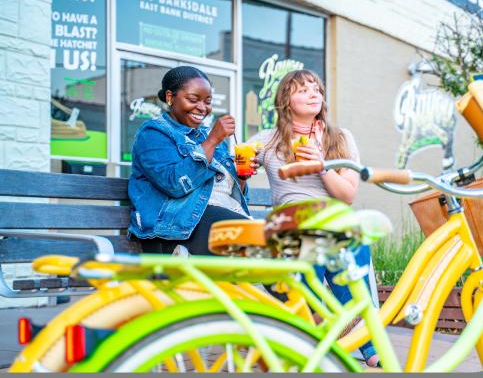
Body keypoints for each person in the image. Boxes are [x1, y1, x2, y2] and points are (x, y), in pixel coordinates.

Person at [247, 69, 380, 367]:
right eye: (303, 89)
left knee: (347, 249)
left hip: (334, 222)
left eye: (316, 90)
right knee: (318, 247)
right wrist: (243, 168)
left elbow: (347, 195)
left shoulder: (340, 138)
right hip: (293, 226)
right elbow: (233, 168)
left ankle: (358, 344)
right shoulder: (267, 140)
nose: (313, 95)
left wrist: (322, 167)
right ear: (285, 99)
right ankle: (333, 341)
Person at [127, 66, 257, 256]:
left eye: (208, 101)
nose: (202, 108)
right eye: (193, 100)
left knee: (279, 243)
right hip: (178, 229)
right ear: (170, 98)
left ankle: (289, 285)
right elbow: (174, 184)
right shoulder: (154, 133)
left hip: (220, 218)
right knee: (258, 241)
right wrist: (212, 140)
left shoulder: (205, 135)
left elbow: (238, 197)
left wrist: (242, 176)